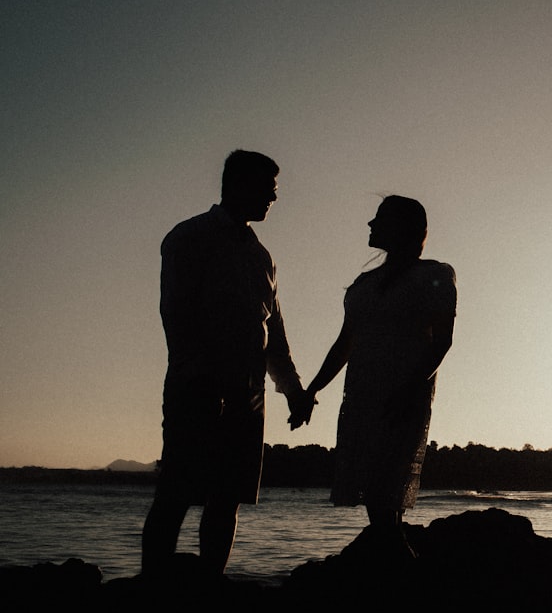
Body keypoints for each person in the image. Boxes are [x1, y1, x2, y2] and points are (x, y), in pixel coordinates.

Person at [141, 150, 312, 576]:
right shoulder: (189, 237)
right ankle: (150, 592)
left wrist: (293, 391)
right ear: (237, 185)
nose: (274, 196)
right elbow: (176, 313)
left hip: (248, 395)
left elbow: (274, 334)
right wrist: (198, 376)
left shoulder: (262, 257)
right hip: (195, 388)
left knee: (227, 497)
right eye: (267, 188)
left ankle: (209, 587)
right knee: (177, 491)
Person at [303, 195, 456, 559]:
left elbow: (443, 342)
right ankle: (396, 578)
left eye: (379, 219)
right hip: (362, 395)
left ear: (404, 228)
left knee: (386, 492)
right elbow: (344, 345)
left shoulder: (435, 274)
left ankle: (402, 575)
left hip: (404, 397)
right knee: (377, 499)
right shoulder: (363, 284)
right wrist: (311, 390)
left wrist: (411, 389)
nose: (370, 225)